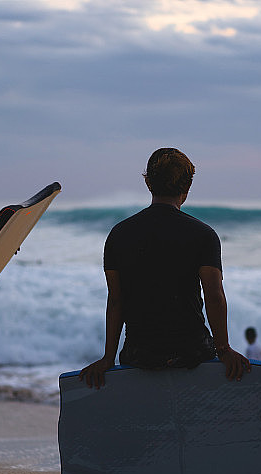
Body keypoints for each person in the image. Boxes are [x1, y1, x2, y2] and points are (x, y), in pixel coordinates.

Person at [80, 148, 250, 388]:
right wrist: (223, 350)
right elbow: (214, 296)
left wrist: (108, 357)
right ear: (187, 188)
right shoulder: (203, 235)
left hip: (140, 355)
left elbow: (116, 301)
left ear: (148, 183)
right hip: (192, 352)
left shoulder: (118, 235)